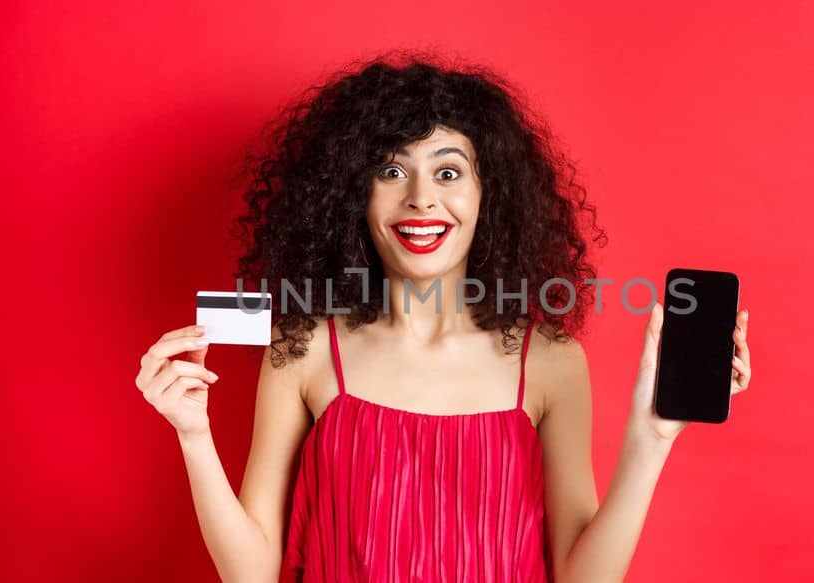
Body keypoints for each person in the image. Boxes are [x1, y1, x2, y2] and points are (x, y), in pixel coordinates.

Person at [134, 53, 752, 582]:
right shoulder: (306, 349)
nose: (421, 198)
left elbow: (581, 574)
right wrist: (193, 434)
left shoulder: (550, 360)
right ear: (355, 194)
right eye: (392, 171)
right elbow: (253, 571)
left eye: (449, 172)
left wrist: (651, 441)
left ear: (491, 196)